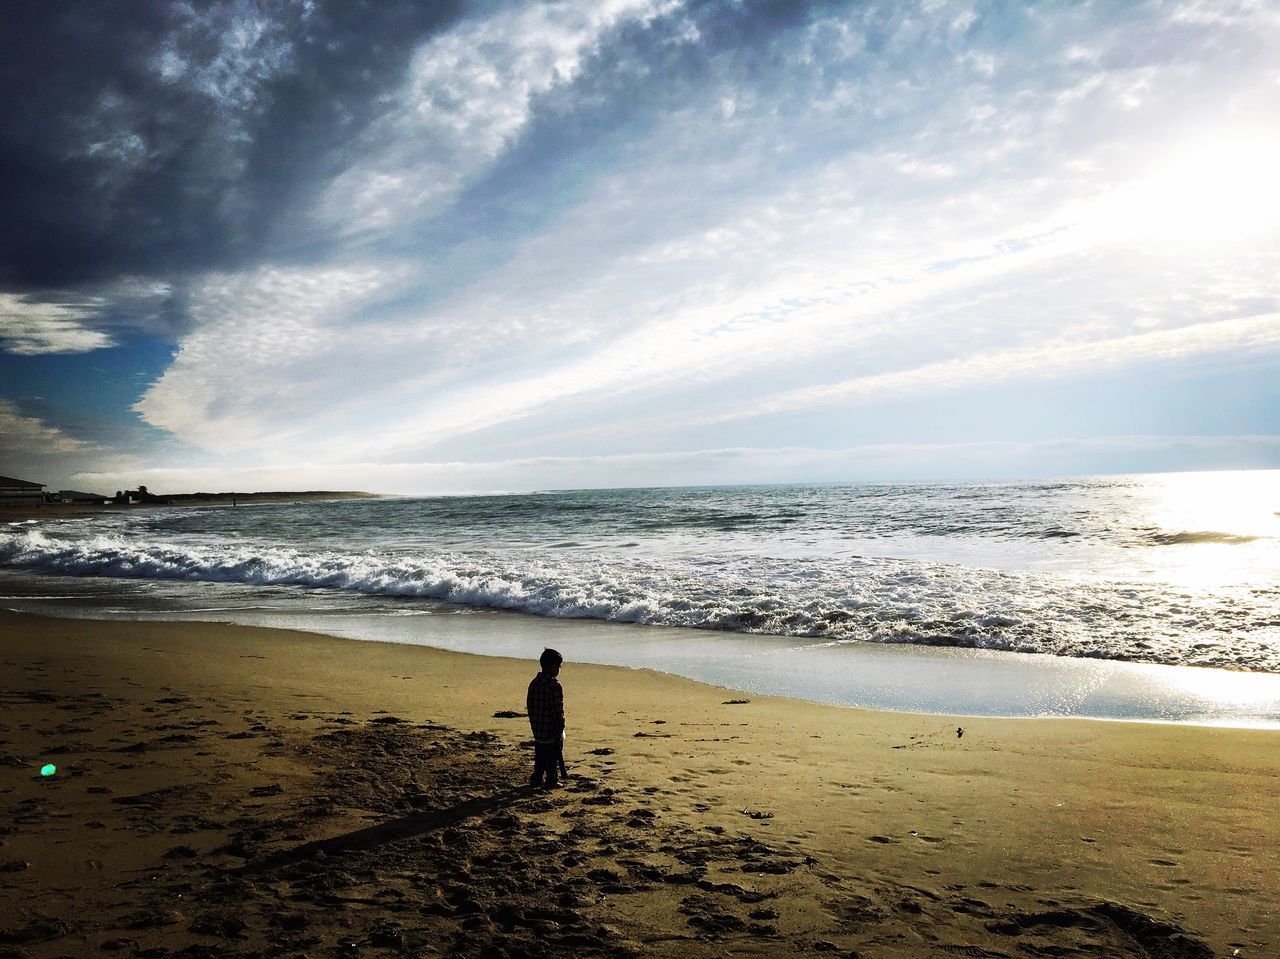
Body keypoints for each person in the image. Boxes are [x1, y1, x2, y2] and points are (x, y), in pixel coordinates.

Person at [526, 648, 565, 789]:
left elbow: (530, 705)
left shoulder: (534, 683)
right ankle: (551, 779)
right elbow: (558, 710)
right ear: (553, 666)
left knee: (540, 754)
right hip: (551, 727)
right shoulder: (554, 685)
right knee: (553, 754)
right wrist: (560, 727)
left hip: (537, 727)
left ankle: (537, 778)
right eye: (559, 667)